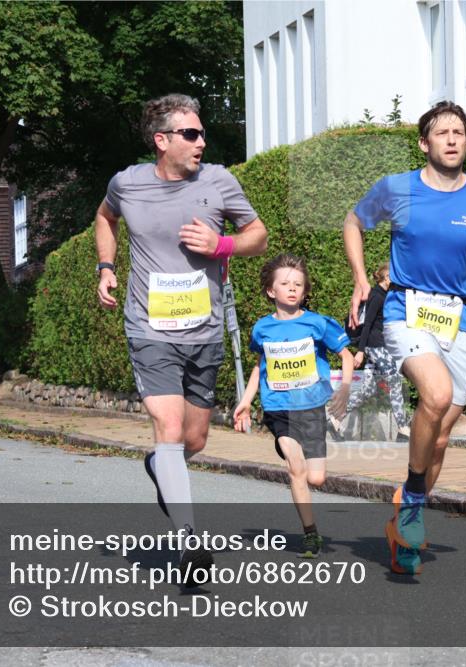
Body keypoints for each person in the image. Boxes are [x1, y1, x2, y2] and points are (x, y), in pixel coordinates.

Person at [95, 93, 268, 584]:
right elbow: (105, 218)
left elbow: (259, 234)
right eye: (191, 134)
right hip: (148, 326)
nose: (201, 142)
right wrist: (106, 266)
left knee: (193, 438)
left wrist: (223, 244)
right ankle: (189, 543)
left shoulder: (219, 181)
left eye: (202, 134)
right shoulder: (126, 183)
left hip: (204, 328)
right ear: (162, 140)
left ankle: (160, 465)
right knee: (168, 426)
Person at [343, 101, 466, 575]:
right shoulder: (397, 188)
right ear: (425, 143)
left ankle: (402, 524)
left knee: (438, 439)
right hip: (407, 309)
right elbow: (353, 222)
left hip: (459, 320)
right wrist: (362, 279)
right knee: (435, 395)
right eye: (442, 133)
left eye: (459, 132)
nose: (453, 139)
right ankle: (416, 502)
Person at [233, 254, 354, 558]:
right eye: (285, 283)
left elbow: (347, 356)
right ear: (271, 291)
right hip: (278, 408)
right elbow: (260, 366)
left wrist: (344, 390)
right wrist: (246, 402)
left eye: (298, 284)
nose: (292, 288)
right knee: (295, 467)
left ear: (304, 290)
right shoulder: (262, 329)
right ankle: (310, 534)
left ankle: (310, 519)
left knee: (316, 478)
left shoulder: (317, 323)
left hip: (312, 407)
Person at [329, 262, 411, 441]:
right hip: (376, 347)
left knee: (367, 391)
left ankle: (335, 419)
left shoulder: (383, 295)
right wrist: (360, 351)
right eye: (394, 277)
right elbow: (366, 326)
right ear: (387, 277)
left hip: (377, 347)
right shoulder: (376, 296)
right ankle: (404, 428)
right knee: (395, 382)